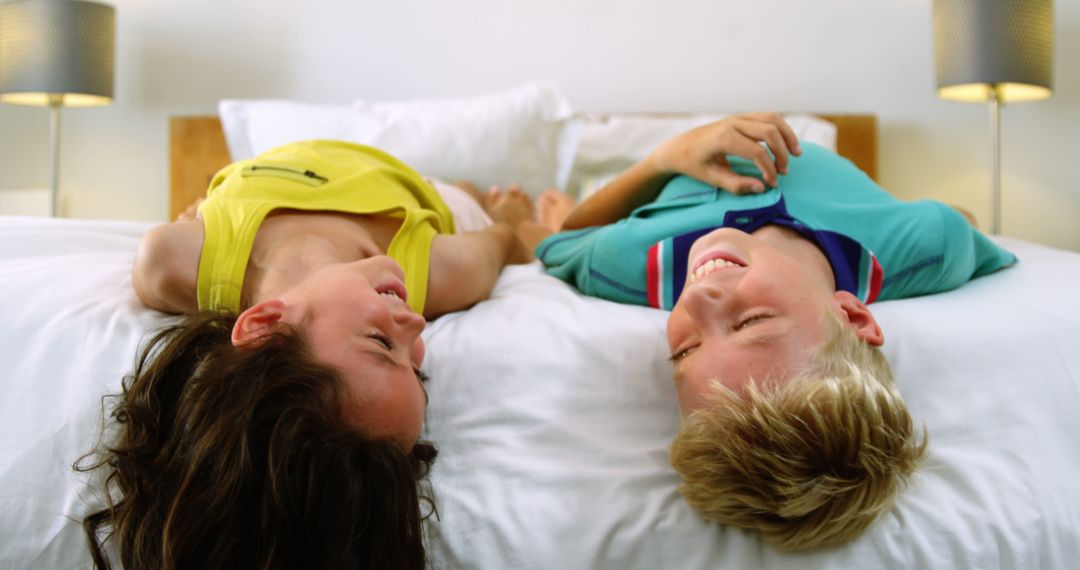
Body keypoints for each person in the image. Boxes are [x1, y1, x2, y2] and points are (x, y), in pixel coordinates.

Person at [527, 113, 1017, 550]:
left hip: (671, 173)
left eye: (684, 350)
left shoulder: (628, 264)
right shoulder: (931, 247)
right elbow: (961, 227)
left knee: (546, 227)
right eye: (751, 322)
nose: (695, 300)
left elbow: (563, 241)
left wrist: (669, 155)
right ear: (852, 316)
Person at [77, 140, 537, 569]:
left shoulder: (170, 262)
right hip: (421, 191)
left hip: (282, 159)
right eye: (416, 370)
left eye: (381, 343)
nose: (416, 326)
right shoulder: (444, 270)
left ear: (264, 325)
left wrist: (191, 222)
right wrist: (511, 219)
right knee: (466, 196)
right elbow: (506, 240)